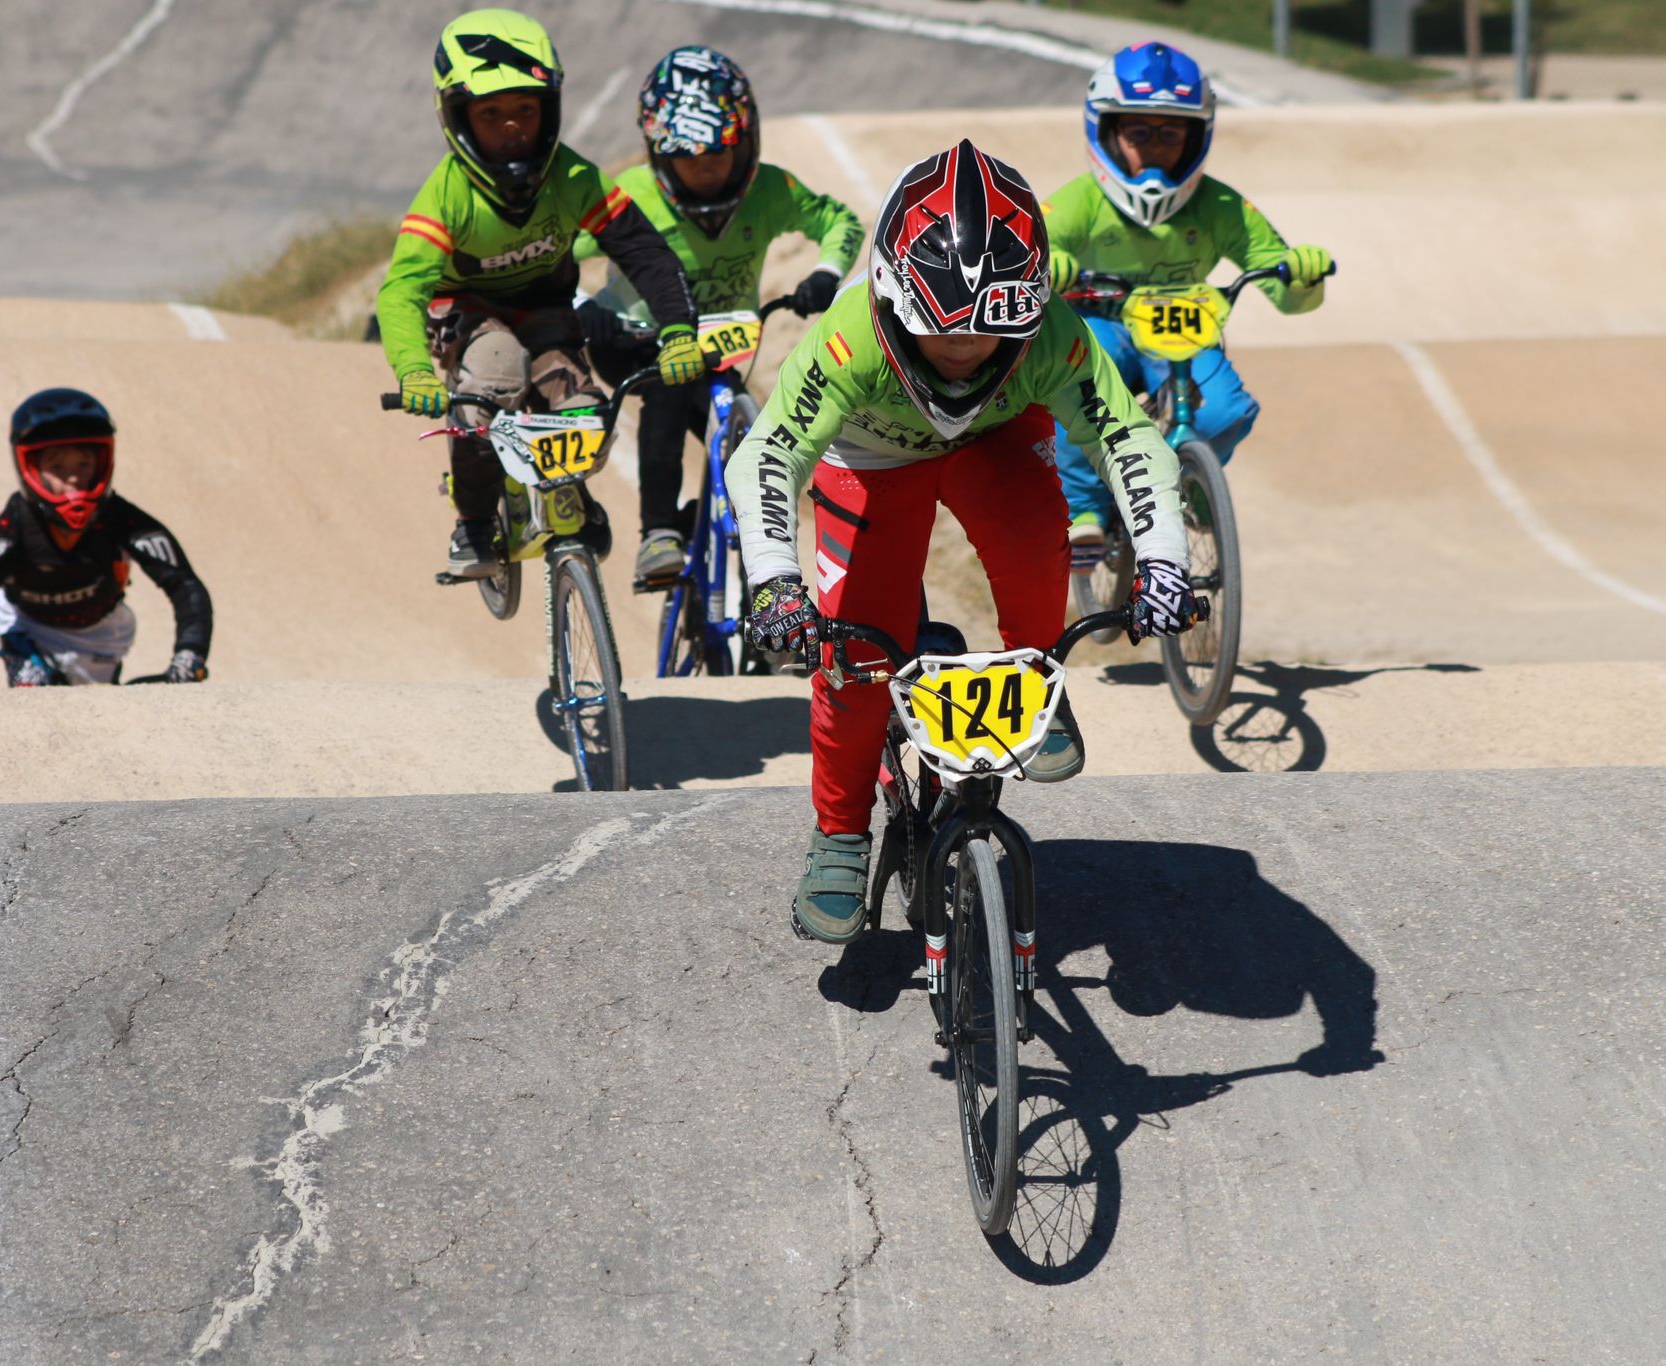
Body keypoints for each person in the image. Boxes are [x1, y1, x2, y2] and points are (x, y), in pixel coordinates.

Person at [726, 139, 1198, 945]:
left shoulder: (1052, 331)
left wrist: (1163, 558)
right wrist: (774, 580)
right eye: (938, 330)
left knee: (1036, 537)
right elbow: (767, 455)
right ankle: (839, 833)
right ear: (889, 296)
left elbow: (1129, 439)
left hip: (997, 439)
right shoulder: (850, 338)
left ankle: (1038, 674)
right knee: (854, 658)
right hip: (872, 457)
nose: (960, 351)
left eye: (986, 334)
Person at [376, 8, 702, 579]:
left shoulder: (575, 179)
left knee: (583, 412)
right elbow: (400, 292)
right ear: (456, 116)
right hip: (467, 313)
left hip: (546, 310)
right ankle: (473, 522)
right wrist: (414, 372)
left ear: (549, 110)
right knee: (493, 378)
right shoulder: (445, 197)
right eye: (490, 113)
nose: (510, 127)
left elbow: (646, 254)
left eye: (526, 110)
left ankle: (568, 495)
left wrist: (678, 331)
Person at [573, 46, 865, 584]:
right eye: (687, 158)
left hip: (718, 345)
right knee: (668, 388)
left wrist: (826, 272)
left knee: (749, 436)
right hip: (631, 341)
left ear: (747, 142)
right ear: (658, 154)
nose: (705, 171)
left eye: (718, 155)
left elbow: (840, 222)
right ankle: (658, 533)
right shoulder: (631, 194)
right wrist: (580, 309)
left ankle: (727, 542)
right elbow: (552, 253)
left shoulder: (770, 189)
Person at [1041, 41, 1334, 564]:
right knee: (1080, 392)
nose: (1154, 148)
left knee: (1227, 412)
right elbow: (1031, 247)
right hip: (1102, 326)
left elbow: (1283, 288)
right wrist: (1050, 262)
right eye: (1138, 133)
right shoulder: (1076, 202)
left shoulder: (1221, 206)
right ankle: (1084, 507)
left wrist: (1301, 275)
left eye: (1171, 133)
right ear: (1107, 133)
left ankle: (1188, 484)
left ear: (1197, 136)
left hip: (1181, 330)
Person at [0, 388, 212, 689]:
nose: (73, 477)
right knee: (34, 691)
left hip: (103, 634)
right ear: (30, 469)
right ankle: (22, 658)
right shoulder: (5, 534)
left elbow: (185, 585)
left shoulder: (126, 521)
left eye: (84, 464)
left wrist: (190, 657)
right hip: (28, 627)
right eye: (57, 467)